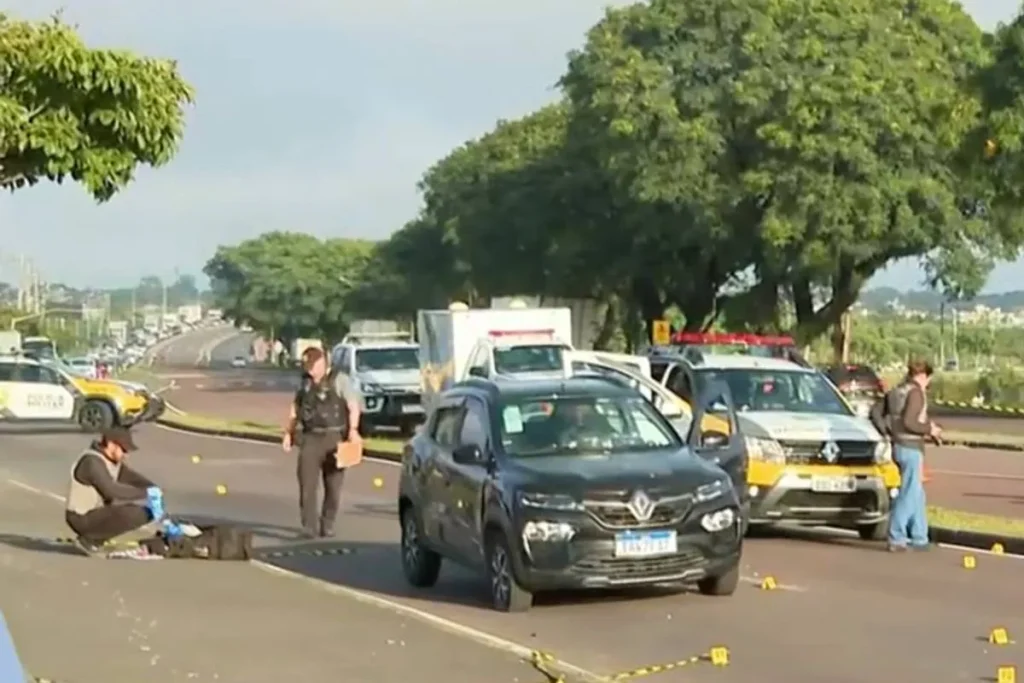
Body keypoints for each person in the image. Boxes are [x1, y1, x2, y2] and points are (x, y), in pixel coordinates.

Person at [282, 347, 362, 539]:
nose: (310, 371)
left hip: (335, 438)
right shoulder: (305, 382)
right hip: (310, 437)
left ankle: (327, 524)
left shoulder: (339, 380)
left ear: (323, 362)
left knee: (333, 486)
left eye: (313, 366)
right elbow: (295, 407)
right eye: (307, 366)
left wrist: (353, 430)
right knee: (307, 484)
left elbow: (353, 406)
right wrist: (289, 432)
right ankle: (309, 526)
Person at [877, 359, 942, 552]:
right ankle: (896, 536)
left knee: (917, 494)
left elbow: (877, 413)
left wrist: (888, 431)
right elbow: (910, 422)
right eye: (928, 379)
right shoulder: (916, 393)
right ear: (923, 376)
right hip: (911, 447)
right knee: (909, 493)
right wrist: (930, 429)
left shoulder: (897, 391)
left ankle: (919, 536)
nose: (928, 384)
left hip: (899, 444)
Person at [65, 427, 159, 554]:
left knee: (146, 512)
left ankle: (95, 539)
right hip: (80, 517)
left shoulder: (111, 461)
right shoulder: (91, 462)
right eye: (123, 450)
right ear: (110, 444)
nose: (126, 455)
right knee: (132, 513)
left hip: (96, 514)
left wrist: (153, 488)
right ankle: (89, 540)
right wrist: (146, 494)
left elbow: (130, 477)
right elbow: (112, 491)